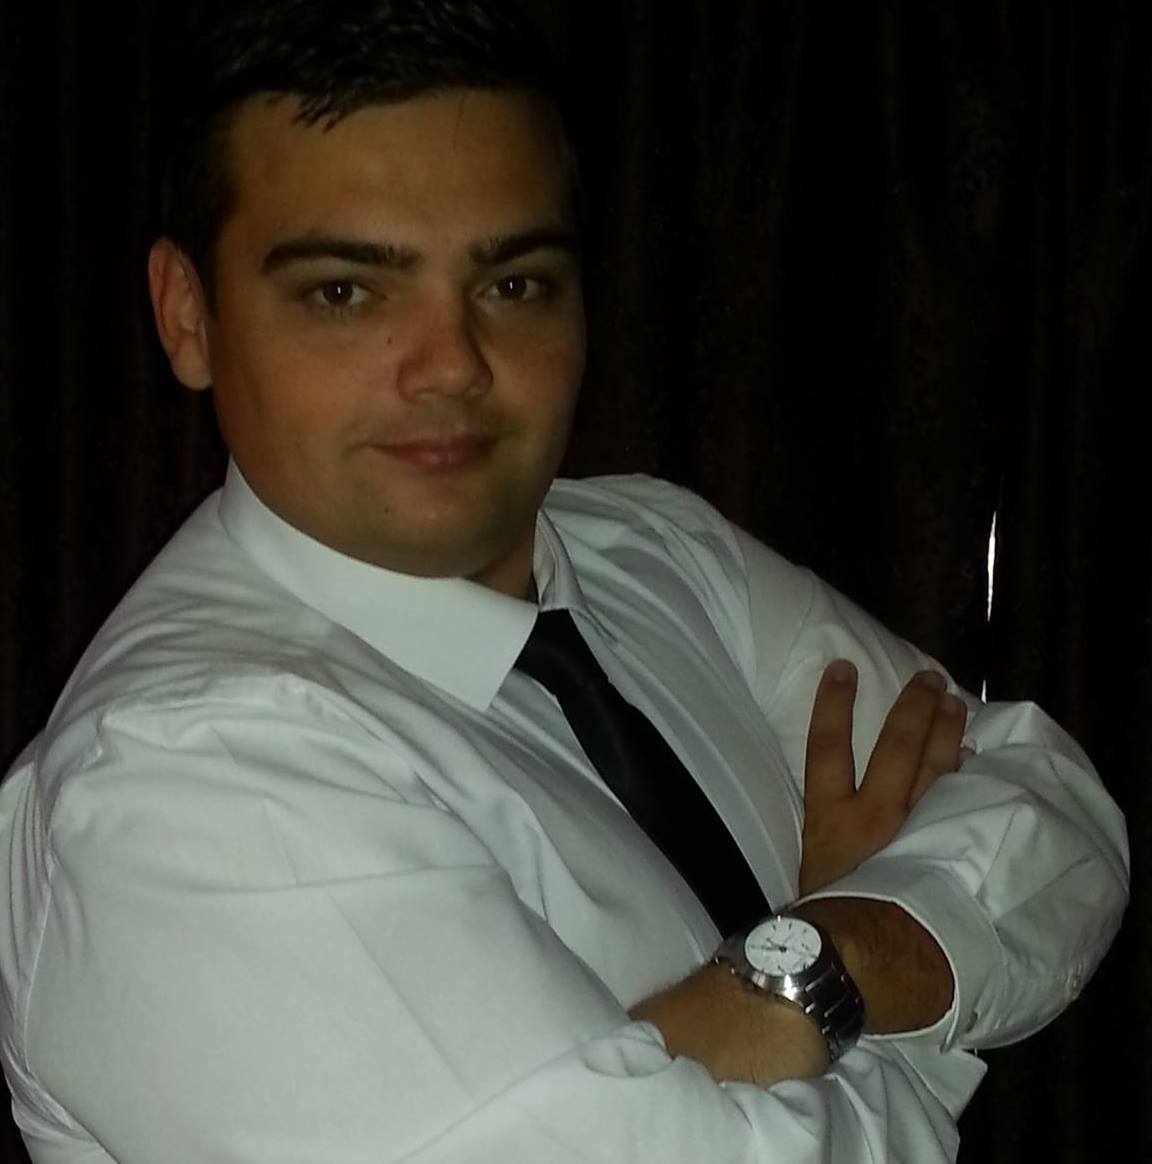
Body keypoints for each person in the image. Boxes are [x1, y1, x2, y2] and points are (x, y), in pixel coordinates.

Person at [0, 1, 1127, 1161]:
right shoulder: (183, 785)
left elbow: (1056, 809)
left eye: (513, 285)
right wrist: (847, 989)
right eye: (346, 292)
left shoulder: (654, 545)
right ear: (188, 317)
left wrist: (838, 941)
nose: (451, 366)